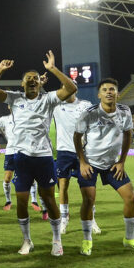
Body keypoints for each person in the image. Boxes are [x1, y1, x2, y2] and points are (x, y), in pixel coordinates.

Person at [0, 54, 77, 257]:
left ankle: (56, 240)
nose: (32, 80)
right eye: (28, 78)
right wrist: (0, 70)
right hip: (22, 158)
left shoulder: (48, 98)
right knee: (22, 201)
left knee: (49, 200)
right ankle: (27, 240)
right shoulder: (14, 98)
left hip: (43, 157)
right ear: (22, 83)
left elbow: (71, 89)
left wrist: (53, 69)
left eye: (35, 78)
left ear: (39, 82)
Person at [74, 78, 134, 256]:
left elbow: (127, 134)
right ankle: (87, 241)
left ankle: (130, 238)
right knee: (88, 200)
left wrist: (122, 161)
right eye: (105, 89)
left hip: (112, 164)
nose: (109, 92)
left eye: (112, 89)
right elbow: (77, 137)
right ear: (99, 94)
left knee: (131, 197)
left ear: (117, 93)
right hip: (90, 163)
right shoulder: (90, 113)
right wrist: (82, 162)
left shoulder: (125, 111)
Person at [52, 90, 101, 235]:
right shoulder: (56, 105)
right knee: (63, 186)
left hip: (83, 152)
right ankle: (64, 219)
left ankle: (91, 219)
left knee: (88, 188)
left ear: (75, 90)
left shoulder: (85, 105)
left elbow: (95, 125)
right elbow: (39, 97)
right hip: (63, 151)